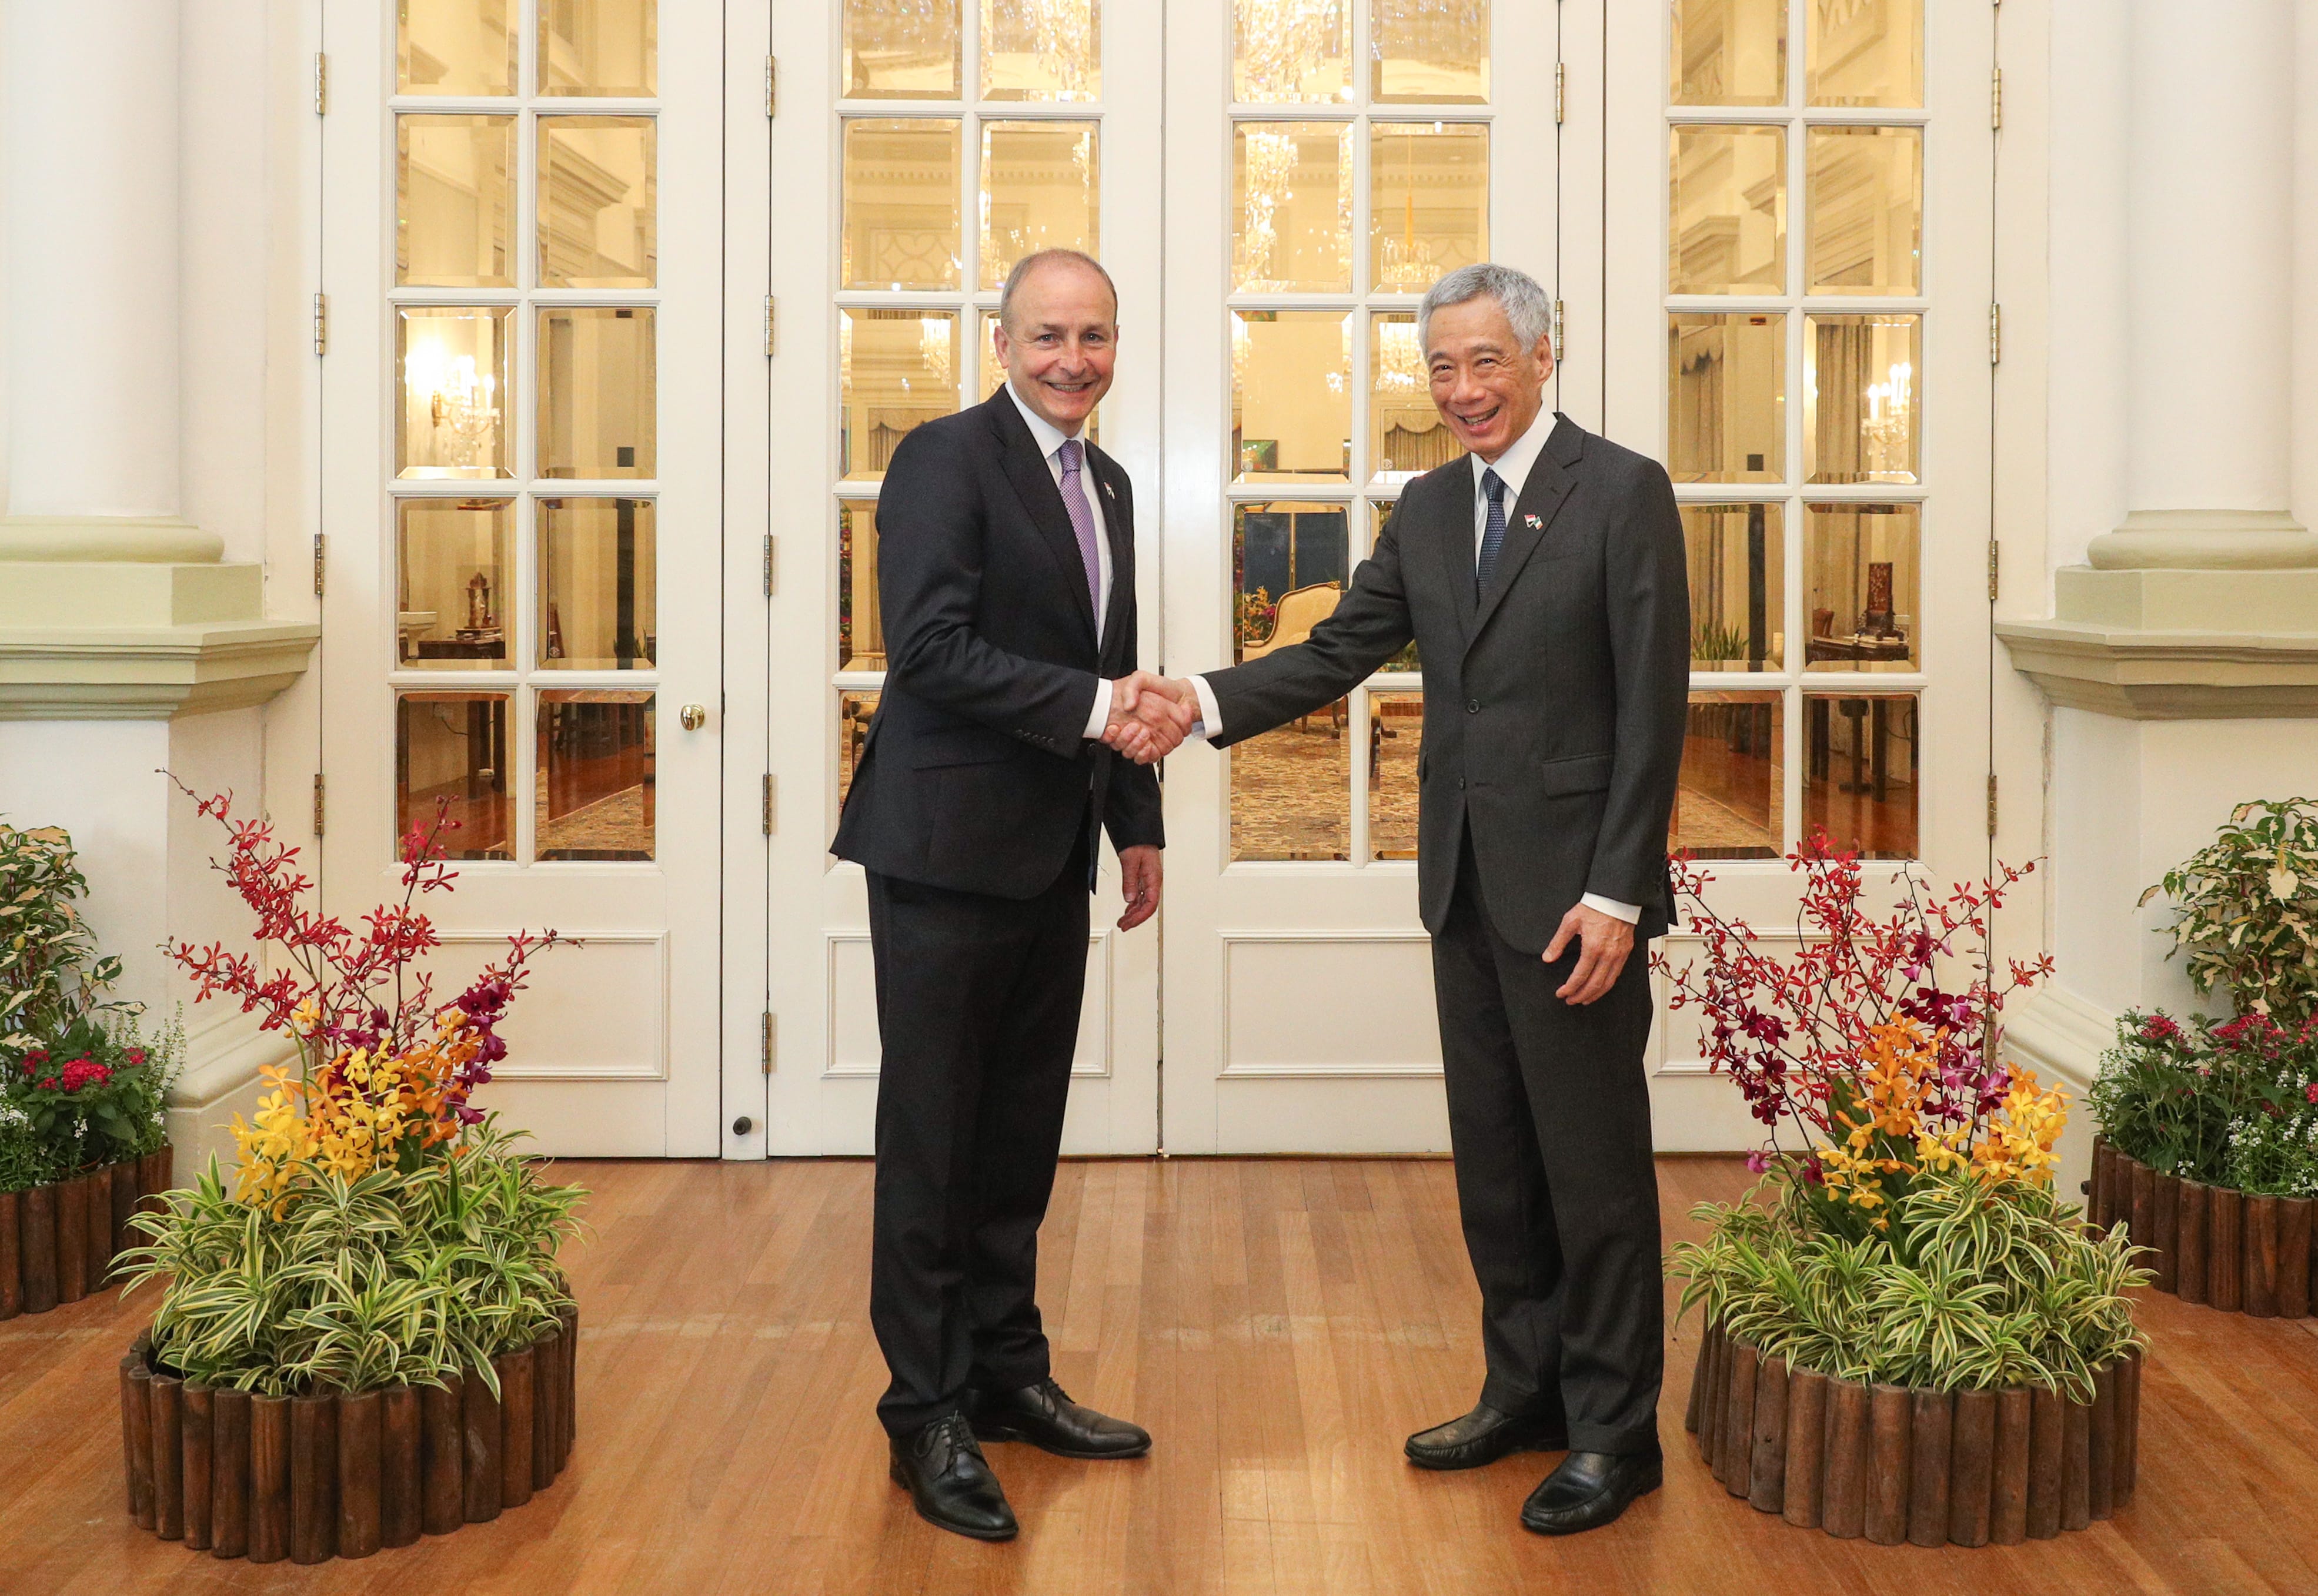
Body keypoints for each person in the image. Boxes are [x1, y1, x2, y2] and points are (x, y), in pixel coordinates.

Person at [1118, 262, 1689, 1535]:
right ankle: (1522, 1388)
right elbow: (1338, 651)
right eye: (1442, 367)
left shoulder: (1622, 492)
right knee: (1498, 1164)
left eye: (1487, 361)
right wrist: (1197, 702)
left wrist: (1618, 889)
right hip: (1466, 885)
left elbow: (1655, 708)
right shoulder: (1429, 507)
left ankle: (1614, 1429)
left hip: (1575, 901)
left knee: (1590, 1172)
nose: (1464, 389)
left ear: (1545, 358)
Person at [831, 247, 1185, 1542]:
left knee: (1019, 1128)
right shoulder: (942, 459)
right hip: (940, 851)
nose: (1072, 359)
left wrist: (1136, 819)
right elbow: (928, 647)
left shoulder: (1114, 483)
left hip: (1057, 847)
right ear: (1002, 341)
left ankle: (1004, 1367)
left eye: (1093, 335)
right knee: (935, 1136)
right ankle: (923, 1408)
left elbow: (1110, 652)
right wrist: (1104, 709)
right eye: (1048, 335)